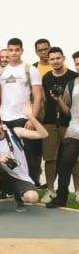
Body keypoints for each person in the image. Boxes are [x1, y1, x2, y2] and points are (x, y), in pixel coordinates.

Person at [0, 37, 43, 184]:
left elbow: (37, 97)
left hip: (23, 117)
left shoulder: (30, 70)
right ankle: (7, 187)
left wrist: (32, 118)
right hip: (4, 118)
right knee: (4, 153)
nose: (13, 53)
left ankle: (31, 184)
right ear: (7, 51)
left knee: (27, 153)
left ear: (22, 51)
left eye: (16, 50)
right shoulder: (1, 73)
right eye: (11, 50)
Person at [0, 106, 47, 216]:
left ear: (1, 123)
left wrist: (31, 117)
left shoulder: (15, 132)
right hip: (3, 176)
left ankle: (18, 195)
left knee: (33, 198)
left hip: (20, 177)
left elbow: (44, 134)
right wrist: (0, 160)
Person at [39, 47, 78, 203]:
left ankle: (77, 190)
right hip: (48, 122)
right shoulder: (47, 77)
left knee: (74, 159)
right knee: (49, 158)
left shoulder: (73, 78)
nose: (55, 61)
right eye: (52, 59)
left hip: (68, 123)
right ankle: (50, 190)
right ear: (48, 61)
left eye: (58, 58)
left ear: (63, 58)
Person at [46, 68, 79, 209]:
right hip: (75, 129)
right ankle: (61, 197)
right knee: (64, 163)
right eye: (77, 63)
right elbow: (67, 111)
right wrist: (58, 99)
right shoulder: (72, 84)